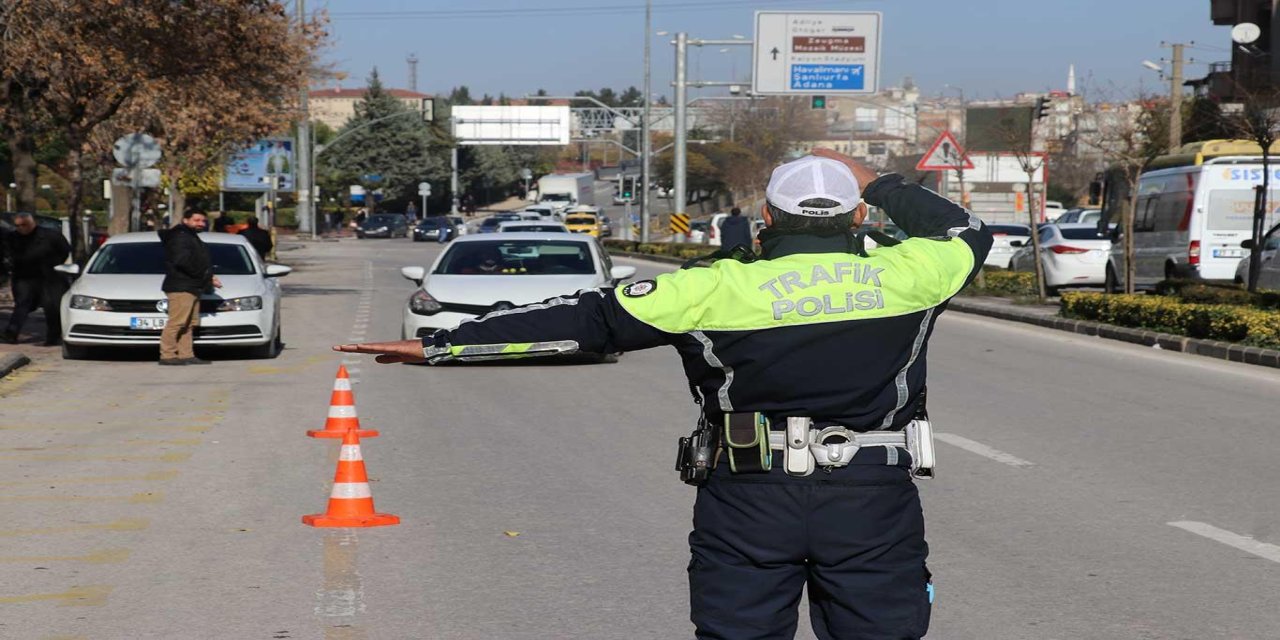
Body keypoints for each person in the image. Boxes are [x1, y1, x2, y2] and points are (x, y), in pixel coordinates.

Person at [335, 149, 993, 639]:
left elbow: (582, 320)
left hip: (747, 501)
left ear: (765, 217)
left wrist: (443, 342)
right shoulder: (913, 275)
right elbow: (966, 230)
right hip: (872, 502)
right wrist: (880, 181)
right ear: (857, 215)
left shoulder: (707, 287)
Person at [157, 208, 221, 365]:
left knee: (189, 323)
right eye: (196, 220)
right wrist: (203, 274)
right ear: (185, 220)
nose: (201, 223)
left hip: (192, 286)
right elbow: (182, 260)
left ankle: (186, 354)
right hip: (181, 286)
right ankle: (167, 355)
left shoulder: (191, 237)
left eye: (203, 221)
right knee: (177, 322)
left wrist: (208, 277)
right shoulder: (180, 237)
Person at [1, 213, 71, 345]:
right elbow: (9, 253)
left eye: (23, 225)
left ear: (32, 224)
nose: (20, 228)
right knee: (22, 304)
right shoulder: (12, 238)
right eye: (17, 226)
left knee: (51, 307)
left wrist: (53, 264)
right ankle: (11, 333)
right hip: (25, 276)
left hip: (48, 276)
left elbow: (64, 250)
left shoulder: (50, 236)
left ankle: (53, 336)